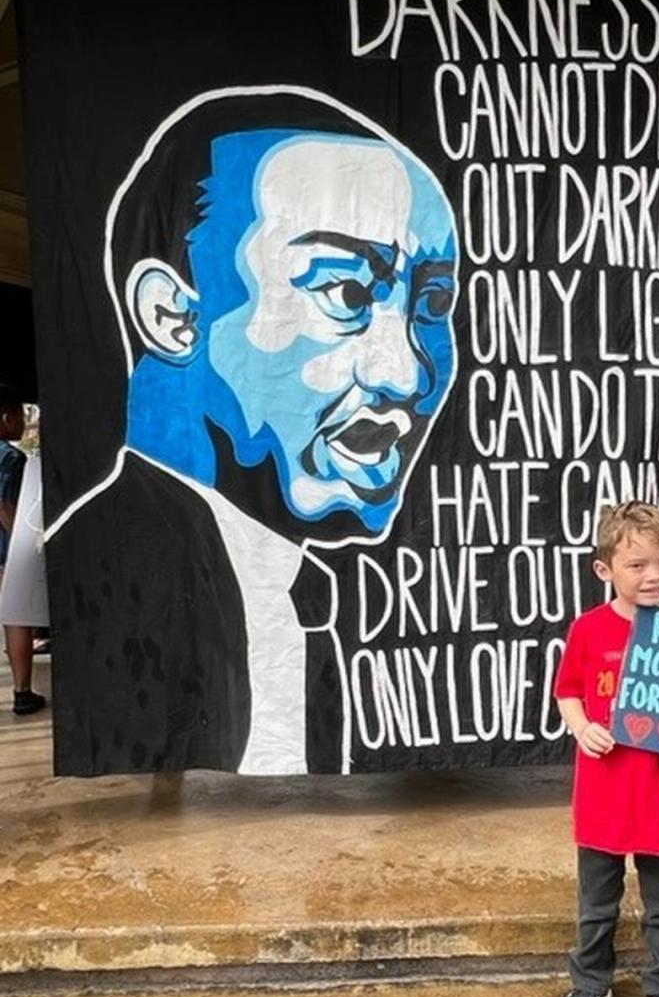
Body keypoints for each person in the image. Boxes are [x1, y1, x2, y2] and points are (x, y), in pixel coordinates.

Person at [45, 87, 457, 775]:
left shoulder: (289, 580)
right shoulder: (119, 577)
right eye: (347, 292)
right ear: (174, 318)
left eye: (433, 303)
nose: (408, 374)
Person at [553, 501, 659, 997]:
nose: (654, 575)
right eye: (636, 564)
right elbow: (567, 690)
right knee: (597, 901)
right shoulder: (588, 629)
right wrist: (582, 727)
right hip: (603, 792)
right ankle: (591, 982)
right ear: (604, 570)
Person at [0, 388, 44, 715]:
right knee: (17, 618)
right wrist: (23, 544)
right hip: (5, 551)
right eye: (20, 414)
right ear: (6, 417)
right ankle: (22, 692)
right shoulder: (11, 458)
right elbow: (5, 505)